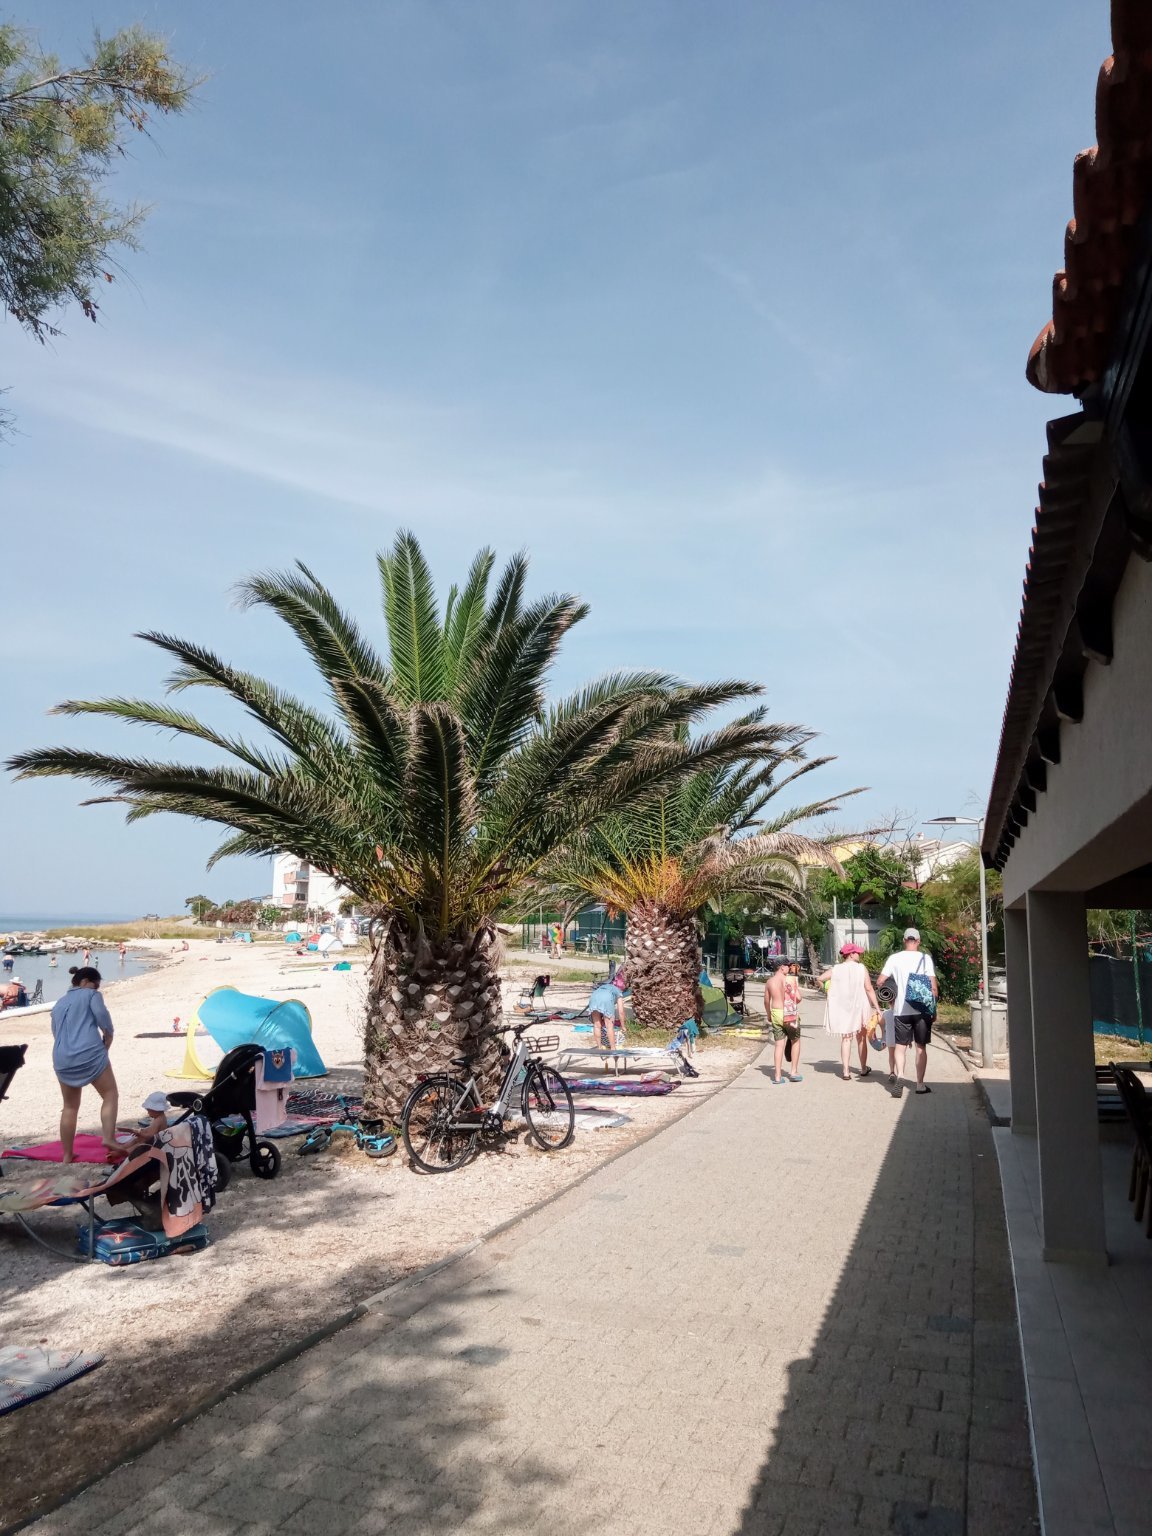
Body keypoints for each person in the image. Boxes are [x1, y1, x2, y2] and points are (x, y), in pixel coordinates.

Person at [49, 965, 119, 1163]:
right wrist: (108, 1038)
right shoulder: (91, 995)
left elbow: (55, 1031)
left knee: (69, 1107)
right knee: (110, 1094)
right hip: (89, 1052)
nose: (96, 989)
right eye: (95, 985)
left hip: (62, 1057)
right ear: (85, 981)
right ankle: (108, 1138)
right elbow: (103, 1018)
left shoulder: (59, 1003)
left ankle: (67, 1154)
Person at [877, 928, 939, 1095]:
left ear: (904, 940)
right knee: (920, 1047)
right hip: (922, 1009)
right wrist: (934, 1010)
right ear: (918, 941)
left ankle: (901, 1075)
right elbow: (933, 988)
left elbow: (880, 981)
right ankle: (920, 1085)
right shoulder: (925, 958)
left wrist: (892, 994)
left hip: (900, 1010)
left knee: (900, 1046)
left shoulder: (894, 958)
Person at [821, 943, 879, 1081]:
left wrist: (827, 991)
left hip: (844, 1008)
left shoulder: (836, 969)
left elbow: (820, 978)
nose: (859, 954)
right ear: (851, 954)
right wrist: (877, 1007)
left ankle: (846, 1071)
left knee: (846, 1039)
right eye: (857, 952)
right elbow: (869, 988)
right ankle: (863, 1068)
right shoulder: (861, 968)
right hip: (860, 1006)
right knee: (861, 1038)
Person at [764, 960, 801, 1084]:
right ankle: (793, 1072)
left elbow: (766, 1001)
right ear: (781, 967)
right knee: (795, 1041)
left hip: (776, 1013)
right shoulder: (790, 980)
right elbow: (799, 998)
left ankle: (778, 1076)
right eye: (788, 965)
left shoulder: (770, 982)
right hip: (790, 1013)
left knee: (779, 1045)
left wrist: (769, 1014)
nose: (789, 968)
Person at [587, 971, 627, 1049]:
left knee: (597, 1026)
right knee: (609, 1026)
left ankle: (599, 1047)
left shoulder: (602, 987)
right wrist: (623, 1026)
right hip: (606, 999)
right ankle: (613, 1048)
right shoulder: (618, 991)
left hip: (594, 997)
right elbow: (621, 1012)